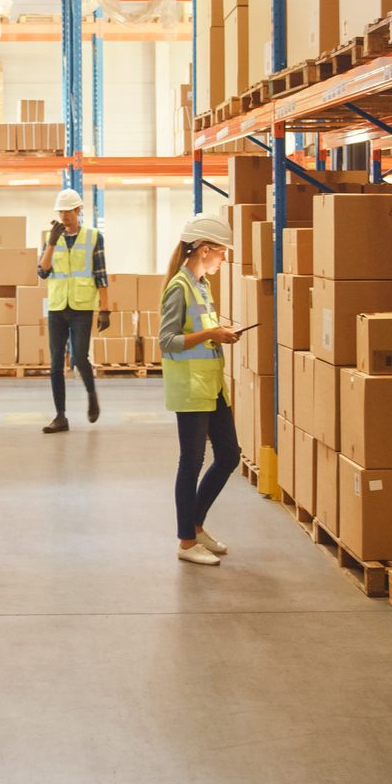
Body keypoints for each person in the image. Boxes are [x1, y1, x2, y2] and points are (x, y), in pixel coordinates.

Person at [160, 214, 242, 566]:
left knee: (229, 455)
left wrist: (220, 332)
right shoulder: (179, 287)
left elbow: (202, 332)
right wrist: (212, 334)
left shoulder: (202, 284)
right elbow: (167, 341)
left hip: (211, 386)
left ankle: (196, 524)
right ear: (206, 249)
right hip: (190, 388)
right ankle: (186, 541)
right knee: (191, 463)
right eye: (222, 253)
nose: (224, 259)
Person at [38, 187, 109, 434]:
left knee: (79, 357)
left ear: (79, 211)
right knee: (56, 362)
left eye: (69, 211)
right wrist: (51, 244)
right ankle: (60, 416)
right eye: (61, 212)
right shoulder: (51, 236)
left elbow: (101, 274)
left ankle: (91, 393)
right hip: (57, 307)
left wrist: (105, 309)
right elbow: (43, 271)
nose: (65, 216)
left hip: (81, 307)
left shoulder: (93, 237)